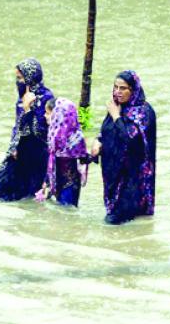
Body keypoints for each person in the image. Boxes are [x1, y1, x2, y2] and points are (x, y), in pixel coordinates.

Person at [90, 71, 156, 225]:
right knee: (113, 215)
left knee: (114, 222)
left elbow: (130, 139)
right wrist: (98, 141)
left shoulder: (143, 112)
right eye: (115, 87)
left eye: (123, 88)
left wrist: (116, 116)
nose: (117, 92)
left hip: (132, 176)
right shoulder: (117, 107)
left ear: (133, 90)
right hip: (114, 172)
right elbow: (107, 129)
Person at [0, 58, 54, 202]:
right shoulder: (21, 99)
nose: (18, 82)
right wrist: (13, 147)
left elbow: (40, 131)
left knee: (33, 194)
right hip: (20, 150)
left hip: (38, 154)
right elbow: (17, 126)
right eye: (17, 78)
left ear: (30, 78)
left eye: (20, 78)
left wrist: (28, 110)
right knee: (2, 192)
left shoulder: (46, 98)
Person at [37, 98, 88, 207]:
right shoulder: (52, 134)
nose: (45, 116)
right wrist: (46, 182)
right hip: (57, 182)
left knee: (67, 212)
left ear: (58, 115)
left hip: (70, 183)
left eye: (47, 113)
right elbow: (52, 161)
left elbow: (83, 158)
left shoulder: (75, 137)